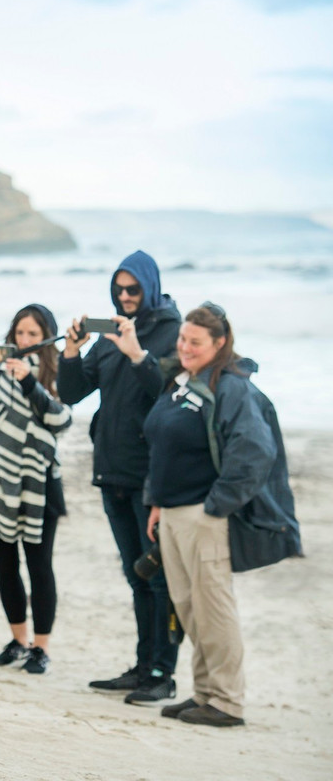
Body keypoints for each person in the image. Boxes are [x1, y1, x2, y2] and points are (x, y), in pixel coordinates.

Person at [144, 302, 301, 727]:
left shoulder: (231, 387)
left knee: (213, 609)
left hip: (205, 516)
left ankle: (227, 702)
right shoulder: (181, 379)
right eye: (182, 339)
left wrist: (215, 508)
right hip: (173, 512)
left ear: (220, 343)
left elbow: (254, 453)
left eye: (195, 342)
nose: (185, 347)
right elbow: (162, 446)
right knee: (189, 608)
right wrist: (156, 501)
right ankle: (203, 693)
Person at [58, 250, 182, 703]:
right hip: (111, 471)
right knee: (136, 575)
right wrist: (70, 352)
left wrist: (137, 354)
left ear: (150, 286)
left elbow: (170, 393)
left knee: (160, 577)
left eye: (133, 289)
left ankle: (162, 673)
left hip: (152, 474)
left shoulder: (173, 333)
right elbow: (71, 392)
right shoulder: (109, 333)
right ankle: (141, 665)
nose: (125, 297)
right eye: (118, 290)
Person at [0, 304, 72, 674]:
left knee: (39, 567)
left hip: (39, 487)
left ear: (46, 336)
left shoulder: (57, 374)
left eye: (33, 334)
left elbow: (60, 419)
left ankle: (41, 647)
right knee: (5, 567)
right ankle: (18, 641)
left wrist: (28, 382)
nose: (25, 341)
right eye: (19, 333)